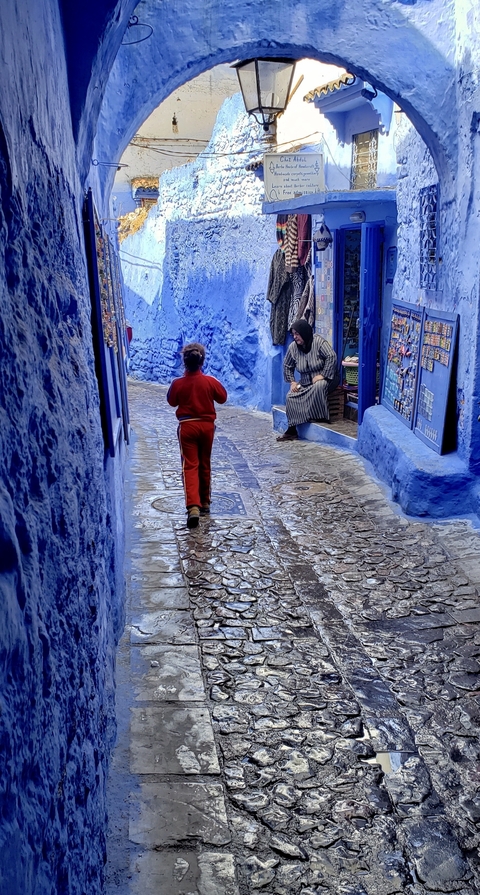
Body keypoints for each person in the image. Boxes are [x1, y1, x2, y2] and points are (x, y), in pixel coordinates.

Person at [167, 343, 227, 528]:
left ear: (184, 362)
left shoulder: (178, 384)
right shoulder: (210, 381)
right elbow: (222, 397)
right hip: (207, 428)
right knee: (205, 462)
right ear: (202, 361)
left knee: (190, 465)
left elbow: (171, 401)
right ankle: (206, 502)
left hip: (187, 427)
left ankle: (193, 506)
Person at [277, 319, 339, 442]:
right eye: (293, 334)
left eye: (297, 334)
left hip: (326, 379)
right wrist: (293, 382)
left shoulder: (318, 342)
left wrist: (323, 375)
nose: (295, 337)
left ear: (304, 333)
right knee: (291, 395)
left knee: (319, 386)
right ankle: (292, 429)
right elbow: (287, 366)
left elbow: (331, 356)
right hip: (305, 383)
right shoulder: (293, 348)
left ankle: (318, 416)